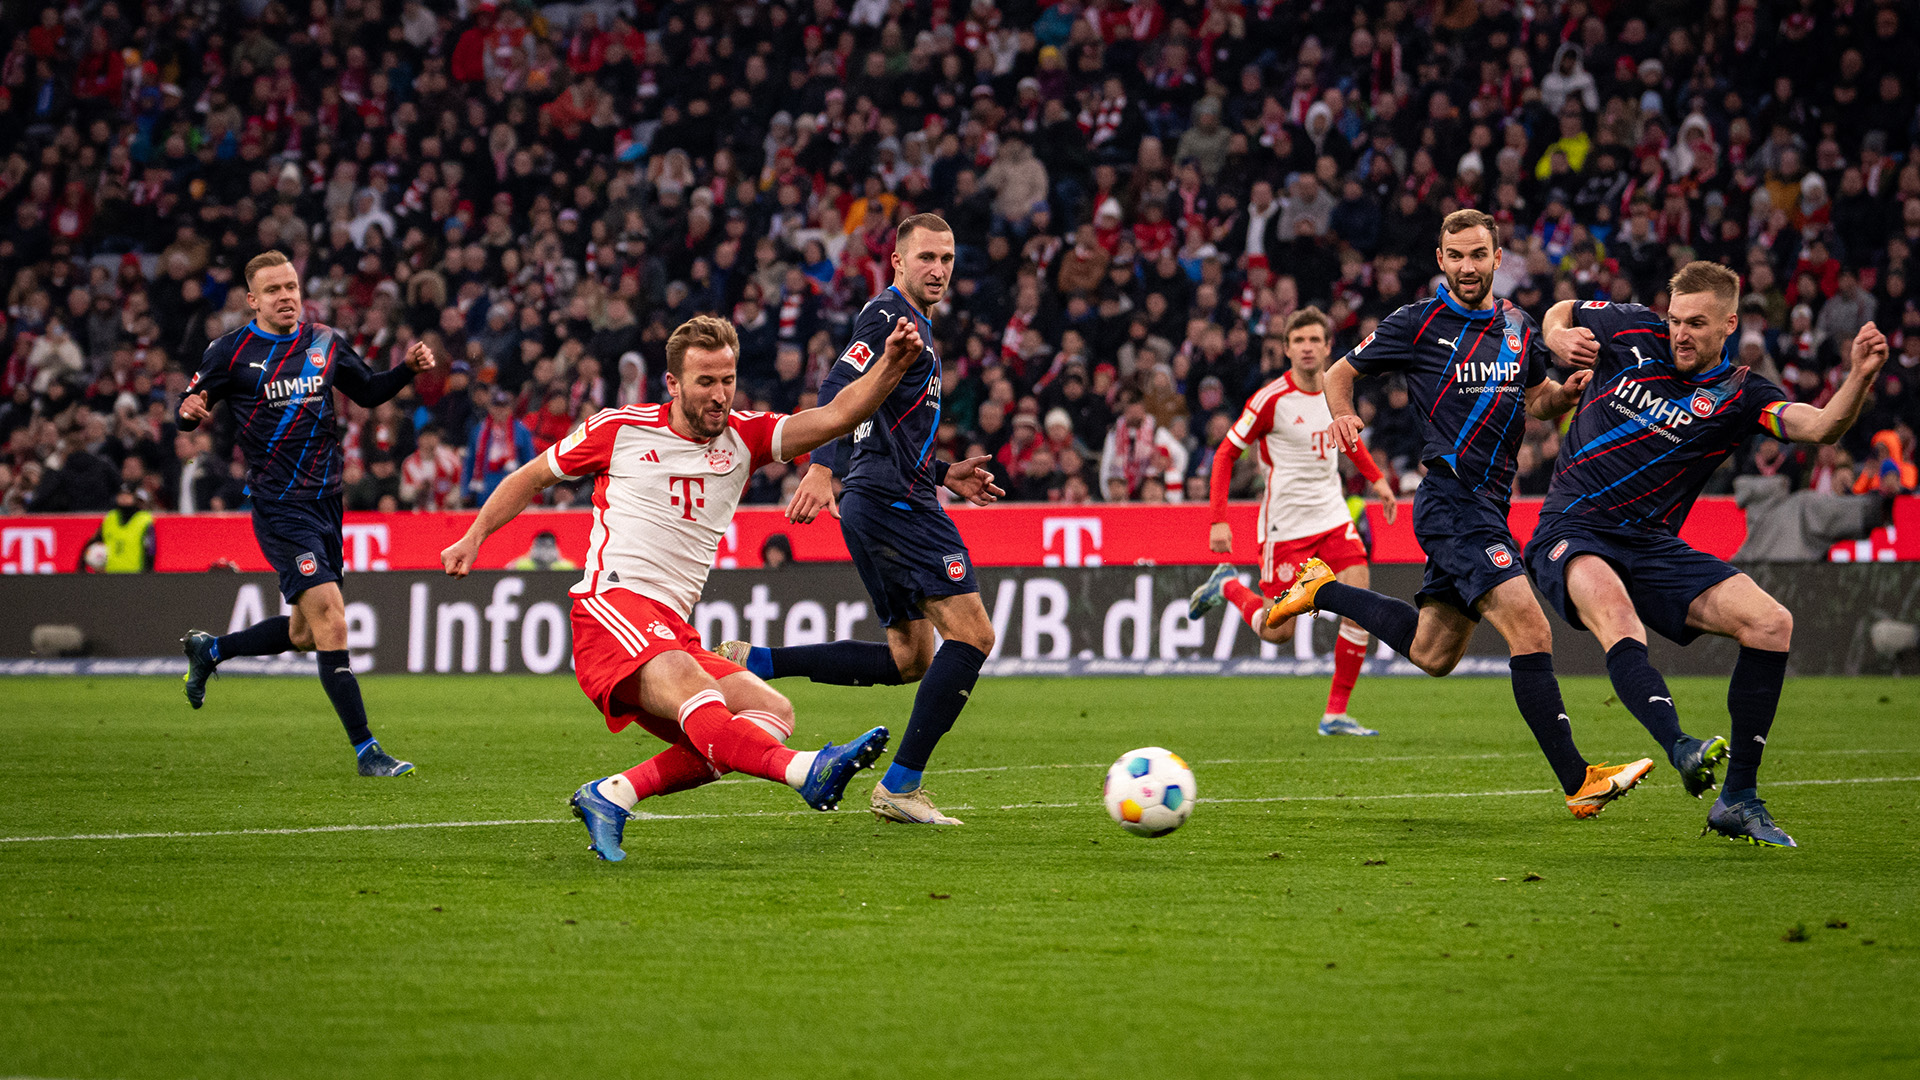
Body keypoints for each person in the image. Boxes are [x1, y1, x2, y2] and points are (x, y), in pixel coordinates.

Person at [440, 313, 923, 862]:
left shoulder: (747, 436)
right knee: (706, 700)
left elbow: (838, 416)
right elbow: (531, 477)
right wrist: (474, 536)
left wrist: (891, 364)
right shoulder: (619, 429)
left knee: (769, 712)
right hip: (610, 607)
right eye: (705, 382)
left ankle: (613, 794)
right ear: (672, 384)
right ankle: (805, 771)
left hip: (672, 626)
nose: (720, 396)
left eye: (728, 380)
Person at [1266, 210, 1652, 819]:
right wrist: (1339, 413)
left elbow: (1534, 401)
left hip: (1491, 505)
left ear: (1499, 258)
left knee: (1433, 653)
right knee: (1532, 629)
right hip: (1451, 502)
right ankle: (1579, 780)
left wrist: (1564, 394)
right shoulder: (1419, 322)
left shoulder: (1521, 327)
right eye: (1456, 255)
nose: (1467, 266)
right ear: (1441, 260)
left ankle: (1323, 590)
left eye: (1478, 254)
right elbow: (1341, 373)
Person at [1532, 263, 1892, 847]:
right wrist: (1556, 336)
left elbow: (1821, 426)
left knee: (1772, 623)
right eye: (1675, 319)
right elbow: (1564, 311)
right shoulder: (1631, 330)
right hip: (1573, 526)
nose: (1680, 333)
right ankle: (1680, 746)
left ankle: (1739, 797)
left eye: (1696, 324)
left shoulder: (1742, 394)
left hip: (1652, 544)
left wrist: (1858, 377)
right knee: (1618, 618)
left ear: (1730, 323)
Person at [718, 214, 1004, 826]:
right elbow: (838, 384)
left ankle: (757, 663)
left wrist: (944, 470)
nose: (939, 268)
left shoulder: (917, 329)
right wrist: (821, 467)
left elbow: (885, 429)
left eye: (948, 258)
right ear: (898, 261)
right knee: (974, 637)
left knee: (911, 658)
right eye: (926, 257)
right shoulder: (888, 316)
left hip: (883, 496)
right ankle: (901, 786)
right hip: (894, 505)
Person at [177, 250, 436, 777]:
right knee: (332, 618)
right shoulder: (230, 352)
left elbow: (366, 392)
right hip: (279, 507)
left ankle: (213, 650)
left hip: (328, 503)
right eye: (273, 290)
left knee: (303, 633)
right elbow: (191, 401)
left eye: (291, 286)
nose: (286, 296)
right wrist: (188, 412)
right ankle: (368, 750)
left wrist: (405, 370)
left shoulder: (325, 343)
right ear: (252, 300)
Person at [1188, 306, 1399, 736]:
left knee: (1360, 603)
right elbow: (1226, 453)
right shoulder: (1270, 401)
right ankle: (1227, 584)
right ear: (1286, 349)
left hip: (1333, 516)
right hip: (1285, 527)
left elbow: (1348, 438)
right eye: (1298, 340)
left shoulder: (1335, 390)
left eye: (1314, 340)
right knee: (1277, 631)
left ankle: (1335, 714)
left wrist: (1377, 480)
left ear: (1326, 348)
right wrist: (1218, 520)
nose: (1306, 348)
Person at [84, 482, 155, 572]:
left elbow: (150, 550)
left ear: (135, 498)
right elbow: (94, 542)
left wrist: (147, 574)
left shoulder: (144, 520)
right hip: (111, 576)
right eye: (121, 495)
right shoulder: (111, 518)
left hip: (135, 575)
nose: (124, 498)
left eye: (128, 495)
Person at [508, 530, 577, 571]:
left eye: (549, 547)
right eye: (541, 546)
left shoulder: (566, 567)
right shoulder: (519, 565)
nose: (544, 551)